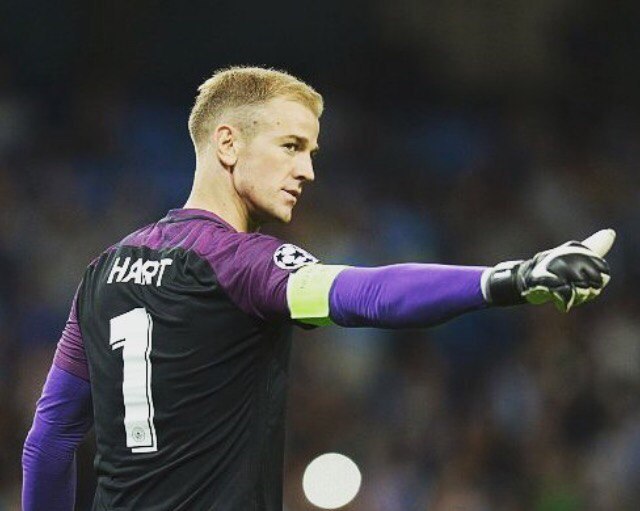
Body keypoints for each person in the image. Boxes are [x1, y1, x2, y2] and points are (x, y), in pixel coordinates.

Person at [21, 66, 614, 511]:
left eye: (310, 151)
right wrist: (509, 279)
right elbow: (368, 295)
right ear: (227, 143)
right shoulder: (241, 265)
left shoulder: (102, 271)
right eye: (290, 146)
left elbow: (49, 440)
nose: (307, 170)